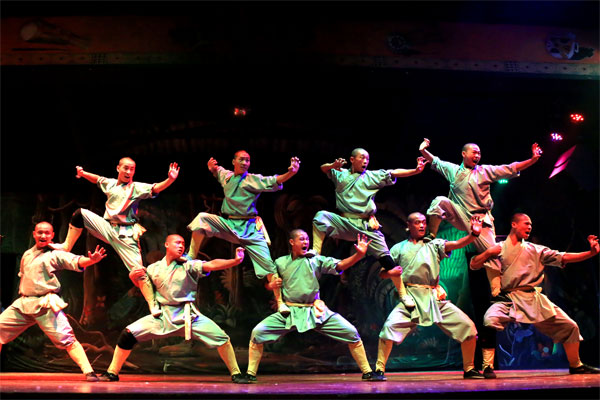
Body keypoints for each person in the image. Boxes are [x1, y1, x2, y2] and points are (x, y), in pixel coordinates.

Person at [419, 138, 542, 374]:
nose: (477, 155)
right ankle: (431, 234)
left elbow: (512, 167)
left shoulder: (485, 171)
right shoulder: (453, 170)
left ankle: (497, 287)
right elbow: (434, 161)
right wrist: (423, 150)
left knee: (493, 254)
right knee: (439, 202)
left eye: (479, 152)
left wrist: (533, 159)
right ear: (463, 154)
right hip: (461, 215)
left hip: (481, 220)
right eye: (473, 152)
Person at [99, 234, 250, 383]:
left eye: (183, 244)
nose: (181, 246)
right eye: (177, 243)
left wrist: (235, 261)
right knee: (128, 334)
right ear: (167, 245)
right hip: (162, 315)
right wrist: (133, 277)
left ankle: (236, 373)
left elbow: (211, 264)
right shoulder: (153, 268)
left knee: (222, 338)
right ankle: (112, 372)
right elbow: (144, 287)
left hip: (189, 316)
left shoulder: (188, 265)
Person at [470, 213, 600, 375]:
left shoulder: (535, 250)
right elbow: (474, 265)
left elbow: (563, 257)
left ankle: (576, 365)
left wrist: (590, 254)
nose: (529, 227)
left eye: (531, 224)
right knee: (489, 319)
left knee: (570, 326)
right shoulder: (499, 248)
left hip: (533, 298)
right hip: (508, 299)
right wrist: (488, 253)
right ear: (514, 225)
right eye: (526, 223)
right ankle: (487, 366)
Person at [246, 230, 382, 382]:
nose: (306, 242)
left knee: (351, 332)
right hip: (289, 311)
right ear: (292, 242)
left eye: (307, 239)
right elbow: (267, 283)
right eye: (302, 239)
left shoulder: (315, 260)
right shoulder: (280, 262)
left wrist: (359, 255)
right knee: (257, 333)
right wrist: (270, 285)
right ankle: (250, 374)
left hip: (315, 311)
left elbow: (340, 265)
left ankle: (367, 372)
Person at [51, 157, 180, 317]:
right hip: (107, 227)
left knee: (138, 271)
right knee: (80, 215)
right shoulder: (110, 183)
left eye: (132, 169)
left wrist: (170, 179)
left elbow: (156, 188)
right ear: (118, 168)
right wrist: (82, 173)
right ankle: (66, 246)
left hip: (126, 234)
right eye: (126, 168)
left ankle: (152, 304)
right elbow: (97, 179)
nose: (128, 172)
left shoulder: (136, 188)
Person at [186, 150, 300, 315]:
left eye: (247, 160)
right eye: (242, 159)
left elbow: (275, 180)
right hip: (230, 223)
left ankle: (280, 302)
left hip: (250, 227)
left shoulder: (253, 179)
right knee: (202, 218)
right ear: (234, 161)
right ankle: (191, 256)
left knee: (268, 265)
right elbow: (217, 172)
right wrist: (212, 168)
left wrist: (291, 172)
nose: (245, 163)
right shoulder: (226, 176)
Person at [375, 213, 486, 380]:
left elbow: (456, 244)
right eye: (417, 222)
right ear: (409, 225)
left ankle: (469, 368)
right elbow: (382, 273)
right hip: (410, 298)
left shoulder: (434, 244)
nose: (422, 226)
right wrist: (390, 272)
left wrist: (474, 235)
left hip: (434, 297)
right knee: (389, 328)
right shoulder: (399, 248)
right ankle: (379, 369)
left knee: (468, 327)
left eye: (424, 222)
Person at [312, 148, 427, 308]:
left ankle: (403, 294)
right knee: (320, 217)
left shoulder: (372, 176)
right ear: (352, 159)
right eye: (362, 158)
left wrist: (415, 170)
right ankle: (315, 254)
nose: (365, 161)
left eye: (367, 158)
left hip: (366, 225)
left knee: (387, 260)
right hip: (344, 222)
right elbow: (323, 168)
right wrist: (333, 165)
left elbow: (394, 173)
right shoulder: (340, 174)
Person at [0, 222, 107, 381]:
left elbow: (76, 261)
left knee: (67, 339)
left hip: (46, 303)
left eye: (46, 233)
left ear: (52, 235)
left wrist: (90, 260)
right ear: (34, 234)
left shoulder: (55, 254)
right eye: (40, 232)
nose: (43, 235)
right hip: (23, 303)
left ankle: (89, 372)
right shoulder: (27, 255)